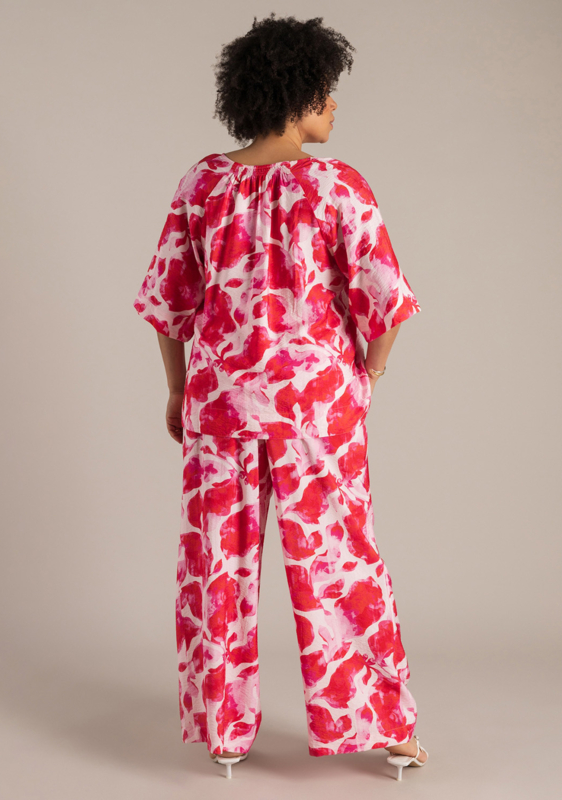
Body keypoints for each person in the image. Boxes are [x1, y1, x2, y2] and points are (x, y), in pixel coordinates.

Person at [133, 12, 428, 781]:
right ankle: (386, 726)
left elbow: (169, 303)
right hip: (316, 409)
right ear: (297, 97)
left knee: (216, 564)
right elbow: (386, 301)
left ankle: (224, 729)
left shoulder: (201, 183)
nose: (334, 106)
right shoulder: (337, 185)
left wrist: (177, 389)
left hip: (220, 404)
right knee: (340, 561)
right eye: (326, 92)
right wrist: (367, 375)